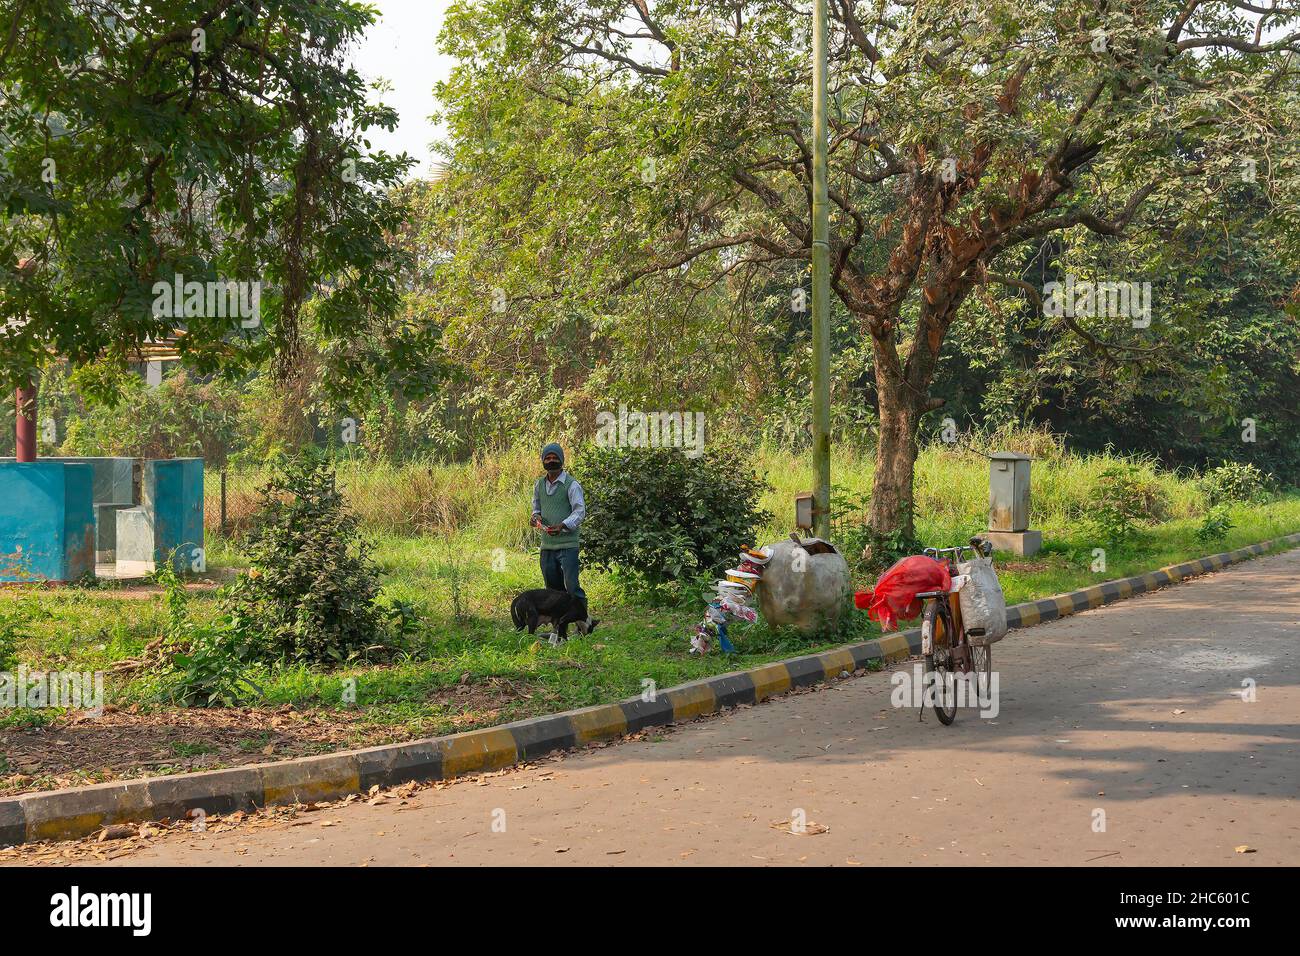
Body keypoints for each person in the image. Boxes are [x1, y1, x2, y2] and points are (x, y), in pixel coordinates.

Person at [530, 442, 587, 602]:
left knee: (572, 587)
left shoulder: (571, 484)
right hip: (547, 545)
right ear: (543, 461)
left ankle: (583, 624)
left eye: (555, 457)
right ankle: (560, 625)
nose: (551, 461)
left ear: (561, 460)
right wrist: (536, 517)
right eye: (547, 458)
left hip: (568, 545)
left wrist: (562, 525)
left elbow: (579, 511)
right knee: (553, 590)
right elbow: (536, 508)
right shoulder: (539, 484)